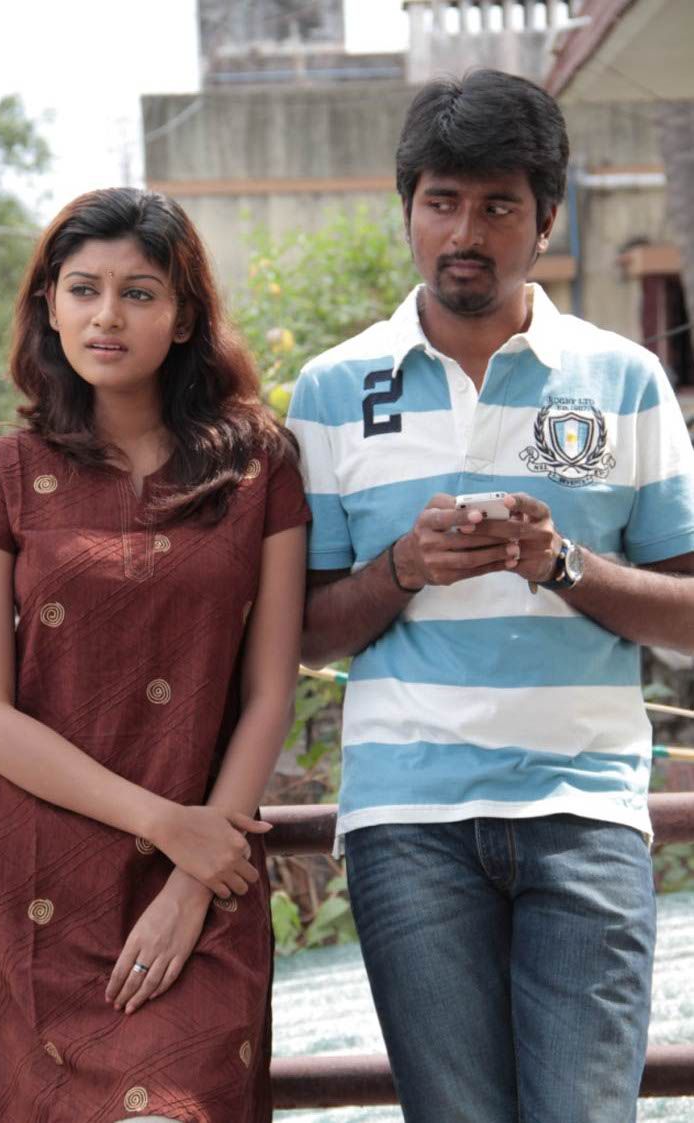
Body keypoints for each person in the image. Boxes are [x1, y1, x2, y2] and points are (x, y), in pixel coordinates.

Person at [287, 70, 694, 1123]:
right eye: (442, 201)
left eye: (499, 206)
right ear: (408, 209)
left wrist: (560, 562)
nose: (466, 232)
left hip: (585, 806)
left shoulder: (624, 378)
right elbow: (304, 632)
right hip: (407, 818)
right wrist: (402, 568)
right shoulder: (331, 389)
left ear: (546, 219)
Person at [0, 187, 309, 1123]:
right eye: (83, 289)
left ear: (184, 316)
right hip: (38, 882)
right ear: (50, 307)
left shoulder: (258, 467)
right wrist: (164, 822)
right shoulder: (1, 476)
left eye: (139, 292)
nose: (107, 315)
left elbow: (269, 690)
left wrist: (192, 870)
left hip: (206, 870)